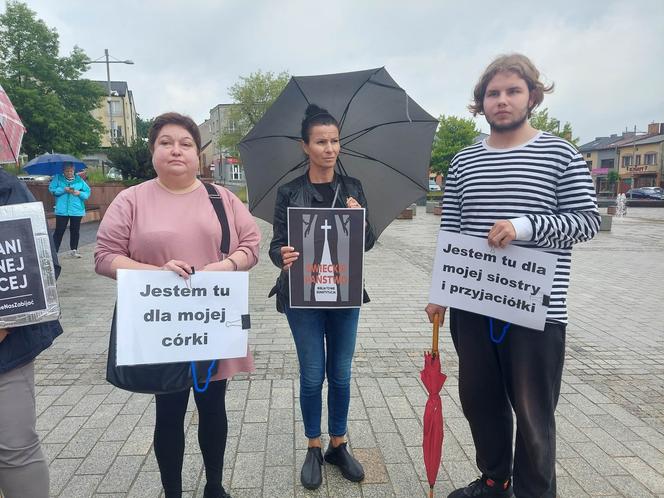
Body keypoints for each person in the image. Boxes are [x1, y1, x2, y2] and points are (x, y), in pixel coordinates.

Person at [425, 54, 600, 498]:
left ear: (532, 96)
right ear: (481, 103)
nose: (502, 101)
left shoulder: (559, 153)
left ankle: (535, 492)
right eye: (493, 93)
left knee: (534, 412)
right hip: (474, 304)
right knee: (480, 402)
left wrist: (523, 226)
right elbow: (452, 231)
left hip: (537, 309)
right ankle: (494, 480)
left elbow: (586, 220)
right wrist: (440, 291)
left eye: (512, 91)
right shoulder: (464, 162)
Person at [95, 112, 260, 498]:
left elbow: (250, 247)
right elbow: (105, 256)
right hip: (161, 322)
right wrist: (156, 272)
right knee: (168, 410)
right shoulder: (131, 200)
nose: (176, 150)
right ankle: (173, 491)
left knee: (213, 405)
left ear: (197, 154)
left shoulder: (222, 198)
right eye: (166, 142)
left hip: (210, 320)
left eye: (186, 143)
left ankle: (215, 484)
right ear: (152, 150)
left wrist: (225, 265)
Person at [269, 104, 376, 490]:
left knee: (342, 375)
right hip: (303, 297)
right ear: (305, 146)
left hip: (344, 294)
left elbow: (366, 243)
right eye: (321, 142)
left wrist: (359, 217)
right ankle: (313, 444)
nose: (329, 148)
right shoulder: (290, 192)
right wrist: (282, 256)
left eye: (334, 141)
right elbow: (276, 245)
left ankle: (338, 443)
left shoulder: (354, 189)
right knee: (313, 374)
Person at [0, 168, 63, 498]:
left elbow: (40, 264)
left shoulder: (6, 189)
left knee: (14, 449)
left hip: (4, 349)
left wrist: (6, 321)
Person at [48, 162, 91, 258]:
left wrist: (78, 193)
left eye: (71, 171)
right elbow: (52, 190)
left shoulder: (79, 180)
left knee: (75, 230)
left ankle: (74, 250)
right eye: (67, 171)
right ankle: (54, 252)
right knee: (59, 230)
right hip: (62, 210)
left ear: (74, 170)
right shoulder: (58, 178)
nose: (69, 172)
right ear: (63, 171)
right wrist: (64, 189)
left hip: (77, 210)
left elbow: (87, 193)